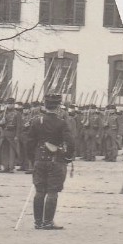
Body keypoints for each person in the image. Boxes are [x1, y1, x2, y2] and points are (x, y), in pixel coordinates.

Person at [28, 94, 75, 230]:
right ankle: (48, 222)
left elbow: (29, 142)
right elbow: (71, 143)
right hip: (55, 161)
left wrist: (33, 158)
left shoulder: (37, 121)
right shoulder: (61, 122)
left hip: (39, 160)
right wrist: (67, 157)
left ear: (45, 106)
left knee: (39, 191)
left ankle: (38, 222)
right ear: (58, 107)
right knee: (52, 191)